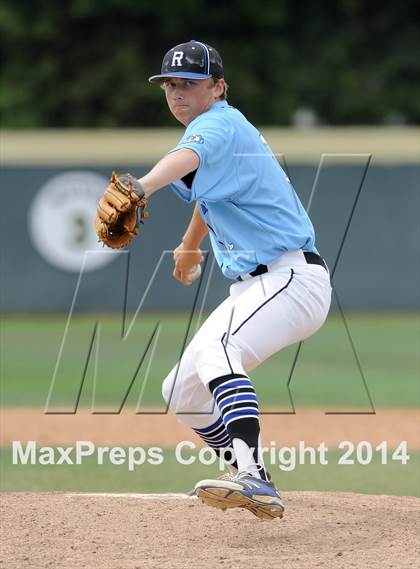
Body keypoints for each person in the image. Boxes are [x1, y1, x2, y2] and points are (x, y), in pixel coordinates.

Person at [138, 40, 331, 520]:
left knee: (218, 351)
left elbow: (186, 161)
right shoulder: (220, 132)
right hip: (259, 284)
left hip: (290, 277)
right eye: (170, 85)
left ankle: (252, 474)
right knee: (181, 391)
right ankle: (247, 475)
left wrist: (140, 188)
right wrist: (188, 245)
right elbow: (210, 194)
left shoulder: (219, 123)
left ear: (217, 87)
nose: (177, 94)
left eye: (190, 84)